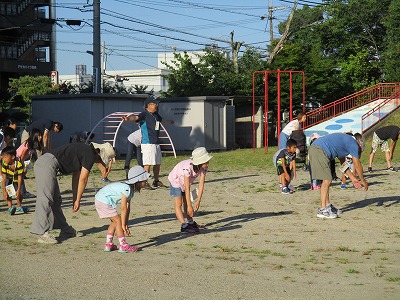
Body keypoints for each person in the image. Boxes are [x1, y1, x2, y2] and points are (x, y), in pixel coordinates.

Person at [30, 142, 116, 244]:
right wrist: (78, 200)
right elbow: (83, 179)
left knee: (56, 200)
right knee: (46, 198)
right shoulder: (89, 155)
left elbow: (76, 177)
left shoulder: (85, 151)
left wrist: (75, 198)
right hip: (46, 164)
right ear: (100, 156)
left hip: (48, 164)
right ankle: (42, 232)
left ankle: (64, 228)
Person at [309, 133, 368, 219]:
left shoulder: (345, 142)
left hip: (316, 149)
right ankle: (322, 209)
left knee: (327, 180)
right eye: (358, 152)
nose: (356, 153)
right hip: (319, 150)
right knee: (327, 180)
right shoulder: (354, 144)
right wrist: (363, 180)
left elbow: (343, 164)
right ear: (359, 144)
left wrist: (352, 178)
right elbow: (357, 164)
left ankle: (327, 206)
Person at [122, 95, 174, 188]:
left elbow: (161, 120)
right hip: (148, 143)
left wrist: (169, 121)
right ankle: (144, 182)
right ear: (148, 105)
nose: (156, 106)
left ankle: (156, 181)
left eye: (157, 104)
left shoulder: (155, 115)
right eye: (154, 104)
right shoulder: (144, 114)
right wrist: (128, 118)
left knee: (157, 163)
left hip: (156, 143)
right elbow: (135, 117)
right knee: (147, 164)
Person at [95, 165, 150, 253]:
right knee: (118, 221)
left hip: (100, 199)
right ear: (138, 181)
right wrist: (122, 224)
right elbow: (123, 208)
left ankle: (108, 244)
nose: (146, 182)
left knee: (115, 222)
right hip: (103, 201)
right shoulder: (127, 189)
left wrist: (126, 224)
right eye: (144, 180)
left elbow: (128, 208)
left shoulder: (130, 190)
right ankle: (123, 245)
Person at [168, 147, 212, 234]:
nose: (207, 164)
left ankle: (190, 222)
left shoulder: (203, 169)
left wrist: (198, 201)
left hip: (185, 183)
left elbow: (201, 185)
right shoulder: (187, 168)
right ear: (199, 162)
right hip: (176, 180)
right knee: (179, 203)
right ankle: (183, 225)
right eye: (206, 162)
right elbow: (187, 188)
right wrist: (189, 205)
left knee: (186, 201)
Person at [16, 128, 43, 198]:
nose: (41, 137)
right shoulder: (28, 145)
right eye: (39, 135)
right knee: (20, 177)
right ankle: (22, 193)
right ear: (35, 136)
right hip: (17, 160)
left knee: (19, 178)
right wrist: (22, 167)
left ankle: (21, 192)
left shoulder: (32, 145)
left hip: (20, 160)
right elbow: (21, 157)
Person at [1, 146, 29, 215]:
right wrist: (4, 190)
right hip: (9, 178)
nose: (4, 159)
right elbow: (4, 178)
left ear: (13, 157)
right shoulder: (4, 164)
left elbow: (20, 178)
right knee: (8, 192)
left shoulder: (19, 165)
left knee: (20, 193)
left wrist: (18, 190)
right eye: (3, 157)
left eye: (5, 157)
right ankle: (10, 207)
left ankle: (19, 206)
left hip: (17, 179)